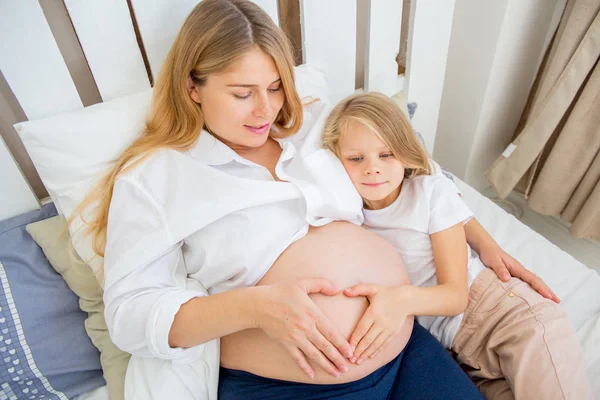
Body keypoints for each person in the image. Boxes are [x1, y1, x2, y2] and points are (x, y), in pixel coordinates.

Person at [70, 1, 551, 399]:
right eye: (242, 94)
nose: (266, 109)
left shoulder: (318, 126)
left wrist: (481, 239)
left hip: (405, 350)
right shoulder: (155, 178)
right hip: (289, 385)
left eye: (276, 87)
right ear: (191, 87)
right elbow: (130, 316)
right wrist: (256, 308)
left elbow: (410, 164)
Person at [322, 91, 593, 400]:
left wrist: (398, 301)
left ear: (405, 152)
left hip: (507, 321)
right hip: (462, 355)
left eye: (386, 154)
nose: (372, 168)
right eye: (356, 158)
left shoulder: (429, 194)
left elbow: (455, 297)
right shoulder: (351, 218)